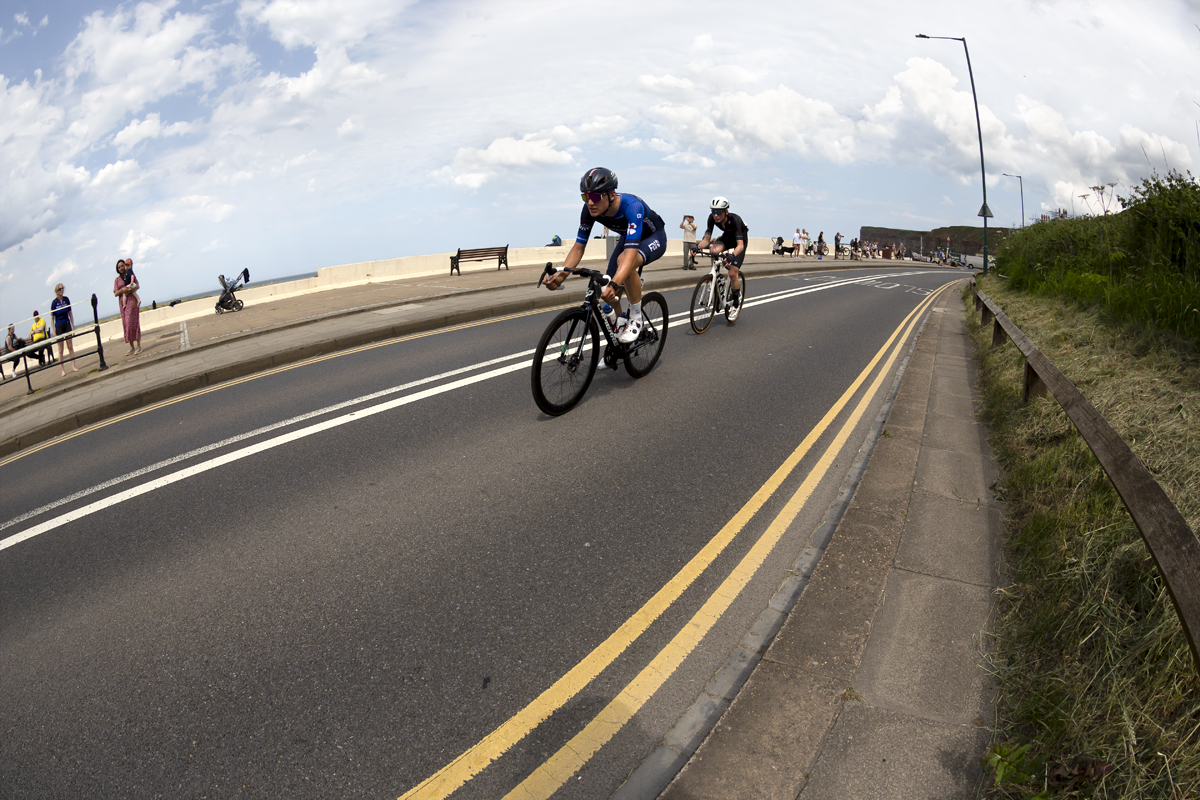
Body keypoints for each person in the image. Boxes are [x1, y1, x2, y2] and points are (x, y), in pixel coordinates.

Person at [542, 167, 668, 344]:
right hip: (628, 237)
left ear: (611, 194)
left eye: (594, 196)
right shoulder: (589, 210)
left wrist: (617, 284)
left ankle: (636, 317)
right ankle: (620, 328)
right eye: (585, 197)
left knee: (623, 263)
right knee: (606, 283)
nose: (590, 203)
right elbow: (579, 247)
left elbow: (630, 255)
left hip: (653, 237)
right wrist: (561, 276)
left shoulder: (632, 207)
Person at [695, 196, 747, 308]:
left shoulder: (734, 220)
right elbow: (706, 240)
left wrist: (732, 255)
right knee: (713, 250)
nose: (716, 215)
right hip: (728, 237)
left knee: (732, 273)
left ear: (726, 212)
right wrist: (698, 248)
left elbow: (740, 246)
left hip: (740, 240)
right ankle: (717, 276)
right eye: (713, 212)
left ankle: (736, 296)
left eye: (719, 212)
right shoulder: (711, 218)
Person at [51, 283, 80, 377]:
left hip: (67, 324)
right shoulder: (54, 302)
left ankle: (73, 366)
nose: (62, 290)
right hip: (59, 326)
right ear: (56, 291)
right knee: (60, 349)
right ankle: (62, 370)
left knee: (70, 346)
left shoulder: (66, 299)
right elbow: (52, 318)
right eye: (60, 289)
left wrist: (73, 325)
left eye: (62, 288)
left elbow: (70, 313)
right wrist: (53, 331)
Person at [114, 259, 142, 355]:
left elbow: (137, 285)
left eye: (122, 265)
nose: (121, 268)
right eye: (119, 267)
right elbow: (115, 293)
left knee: (133, 322)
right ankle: (132, 347)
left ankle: (138, 345)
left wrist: (129, 290)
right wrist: (122, 290)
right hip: (123, 304)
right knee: (126, 324)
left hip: (132, 301)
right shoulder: (117, 280)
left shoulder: (130, 274)